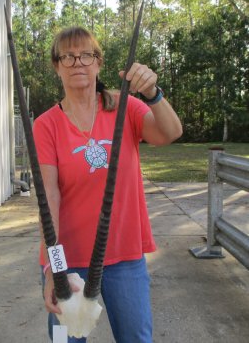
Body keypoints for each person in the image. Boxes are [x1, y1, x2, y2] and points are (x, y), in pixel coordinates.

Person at [33, 26, 182, 343]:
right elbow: (49, 198)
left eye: (86, 54)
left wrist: (153, 94)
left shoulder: (124, 106)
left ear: (99, 63)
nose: (77, 63)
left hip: (124, 256)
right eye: (67, 57)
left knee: (136, 338)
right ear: (57, 66)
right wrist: (51, 268)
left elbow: (169, 133)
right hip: (68, 260)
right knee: (64, 341)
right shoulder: (46, 125)